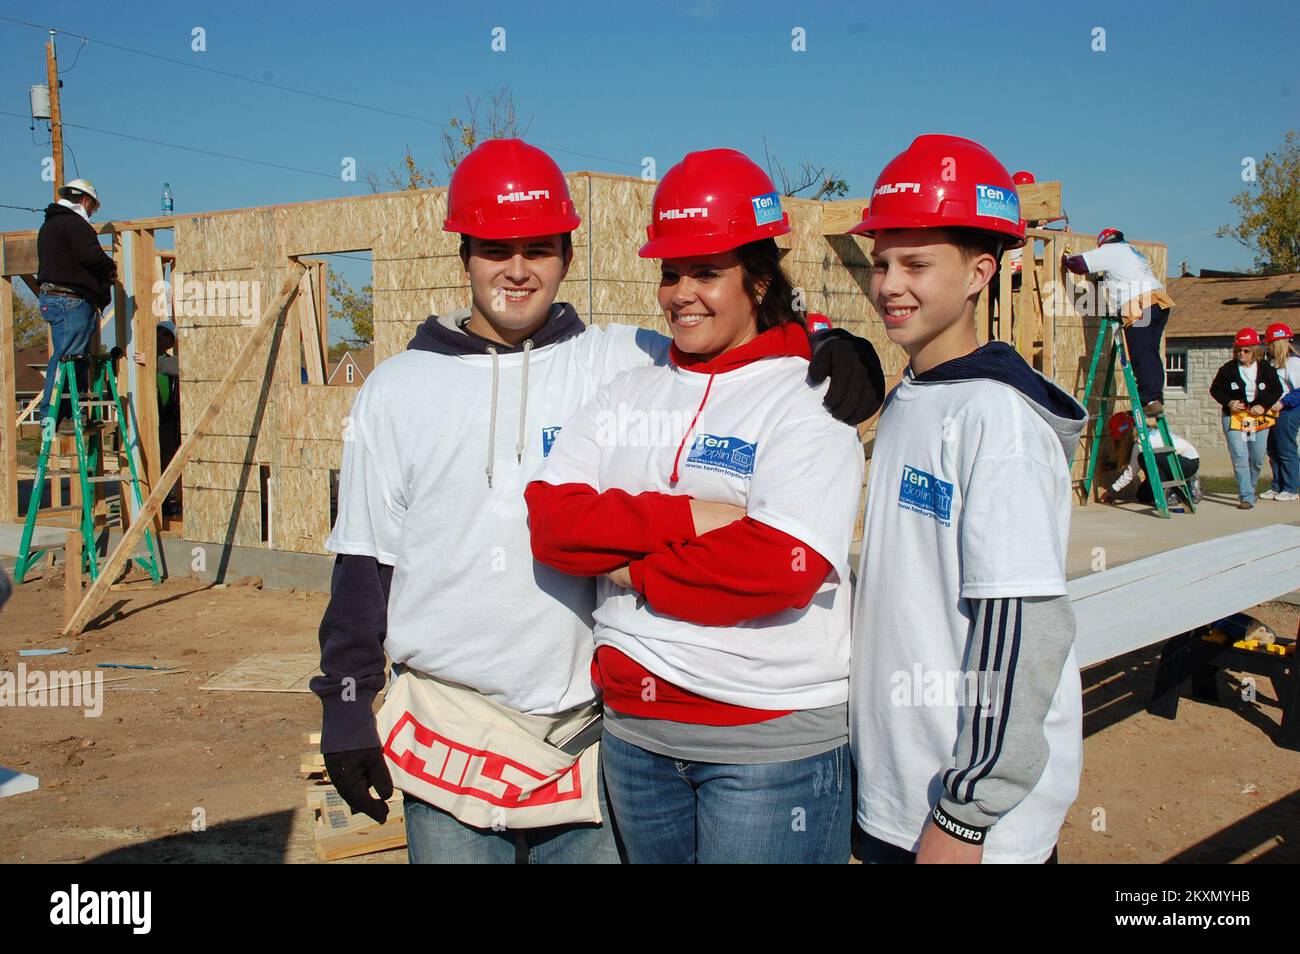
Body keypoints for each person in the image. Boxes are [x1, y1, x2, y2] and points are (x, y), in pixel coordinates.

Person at [311, 139, 883, 864]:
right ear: (464, 255)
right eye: (495, 249)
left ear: (567, 257)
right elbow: (366, 561)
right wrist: (348, 704)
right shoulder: (396, 390)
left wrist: (833, 341)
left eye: (539, 249)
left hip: (588, 736)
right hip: (449, 725)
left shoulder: (619, 359)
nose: (517, 270)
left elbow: (733, 338)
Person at [526, 148, 864, 864]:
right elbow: (553, 524)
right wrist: (687, 520)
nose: (682, 293)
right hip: (637, 743)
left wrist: (627, 570)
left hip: (767, 751)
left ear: (760, 280)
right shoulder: (629, 389)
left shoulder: (808, 398)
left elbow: (779, 567)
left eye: (707, 272)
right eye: (670, 272)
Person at [847, 134, 1087, 864]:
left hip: (971, 824)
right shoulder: (916, 397)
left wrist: (966, 812)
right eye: (883, 261)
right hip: (900, 791)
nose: (890, 284)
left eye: (917, 264)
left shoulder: (996, 420)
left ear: (981, 270)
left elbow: (1022, 629)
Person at [1064, 227, 1175, 417]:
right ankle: (1155, 397)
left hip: (1140, 305)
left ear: (1103, 243)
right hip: (1159, 303)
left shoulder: (1111, 251)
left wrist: (1065, 258)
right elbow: (1120, 276)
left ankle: (1149, 399)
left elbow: (1079, 264)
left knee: (1141, 352)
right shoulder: (1132, 252)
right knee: (1151, 352)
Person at [35, 178, 117, 434]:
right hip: (70, 300)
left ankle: (71, 415)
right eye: (92, 207)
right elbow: (90, 256)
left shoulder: (49, 225)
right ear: (83, 200)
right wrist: (110, 268)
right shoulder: (74, 224)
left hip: (55, 299)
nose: (92, 212)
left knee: (72, 358)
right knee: (66, 358)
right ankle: (54, 416)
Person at [1209, 328, 1283, 509]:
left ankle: (1250, 486)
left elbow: (1276, 390)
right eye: (1238, 350)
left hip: (1259, 418)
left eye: (1245, 350)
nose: (1241, 354)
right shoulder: (1227, 369)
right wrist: (1229, 402)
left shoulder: (1266, 369)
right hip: (1234, 418)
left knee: (1257, 457)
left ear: (1255, 350)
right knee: (1239, 455)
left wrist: (1263, 405)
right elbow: (1215, 390)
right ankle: (1246, 496)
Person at [1099, 411, 1200, 507]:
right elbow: (1132, 462)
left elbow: (1131, 472)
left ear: (1125, 436)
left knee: (1144, 458)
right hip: (1180, 461)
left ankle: (1172, 491)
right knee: (1142, 495)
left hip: (1187, 462)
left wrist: (1111, 491)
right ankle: (1179, 492)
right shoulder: (1146, 434)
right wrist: (1113, 465)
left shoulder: (1141, 443)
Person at [134, 321, 182, 515]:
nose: (160, 335)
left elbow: (182, 365)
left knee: (165, 462)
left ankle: (162, 503)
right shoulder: (138, 356)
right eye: (158, 331)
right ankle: (144, 502)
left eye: (166, 334)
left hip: (167, 420)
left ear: (171, 342)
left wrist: (154, 362)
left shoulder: (167, 361)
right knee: (145, 460)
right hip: (144, 418)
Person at [1262, 323, 1300, 501]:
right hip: (1272, 411)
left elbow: (1299, 390)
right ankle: (1277, 486)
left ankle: (1291, 488)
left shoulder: (1293, 362)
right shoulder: (1271, 363)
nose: (1267, 346)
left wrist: (1283, 402)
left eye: (1269, 343)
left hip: (1289, 411)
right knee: (1273, 448)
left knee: (1286, 448)